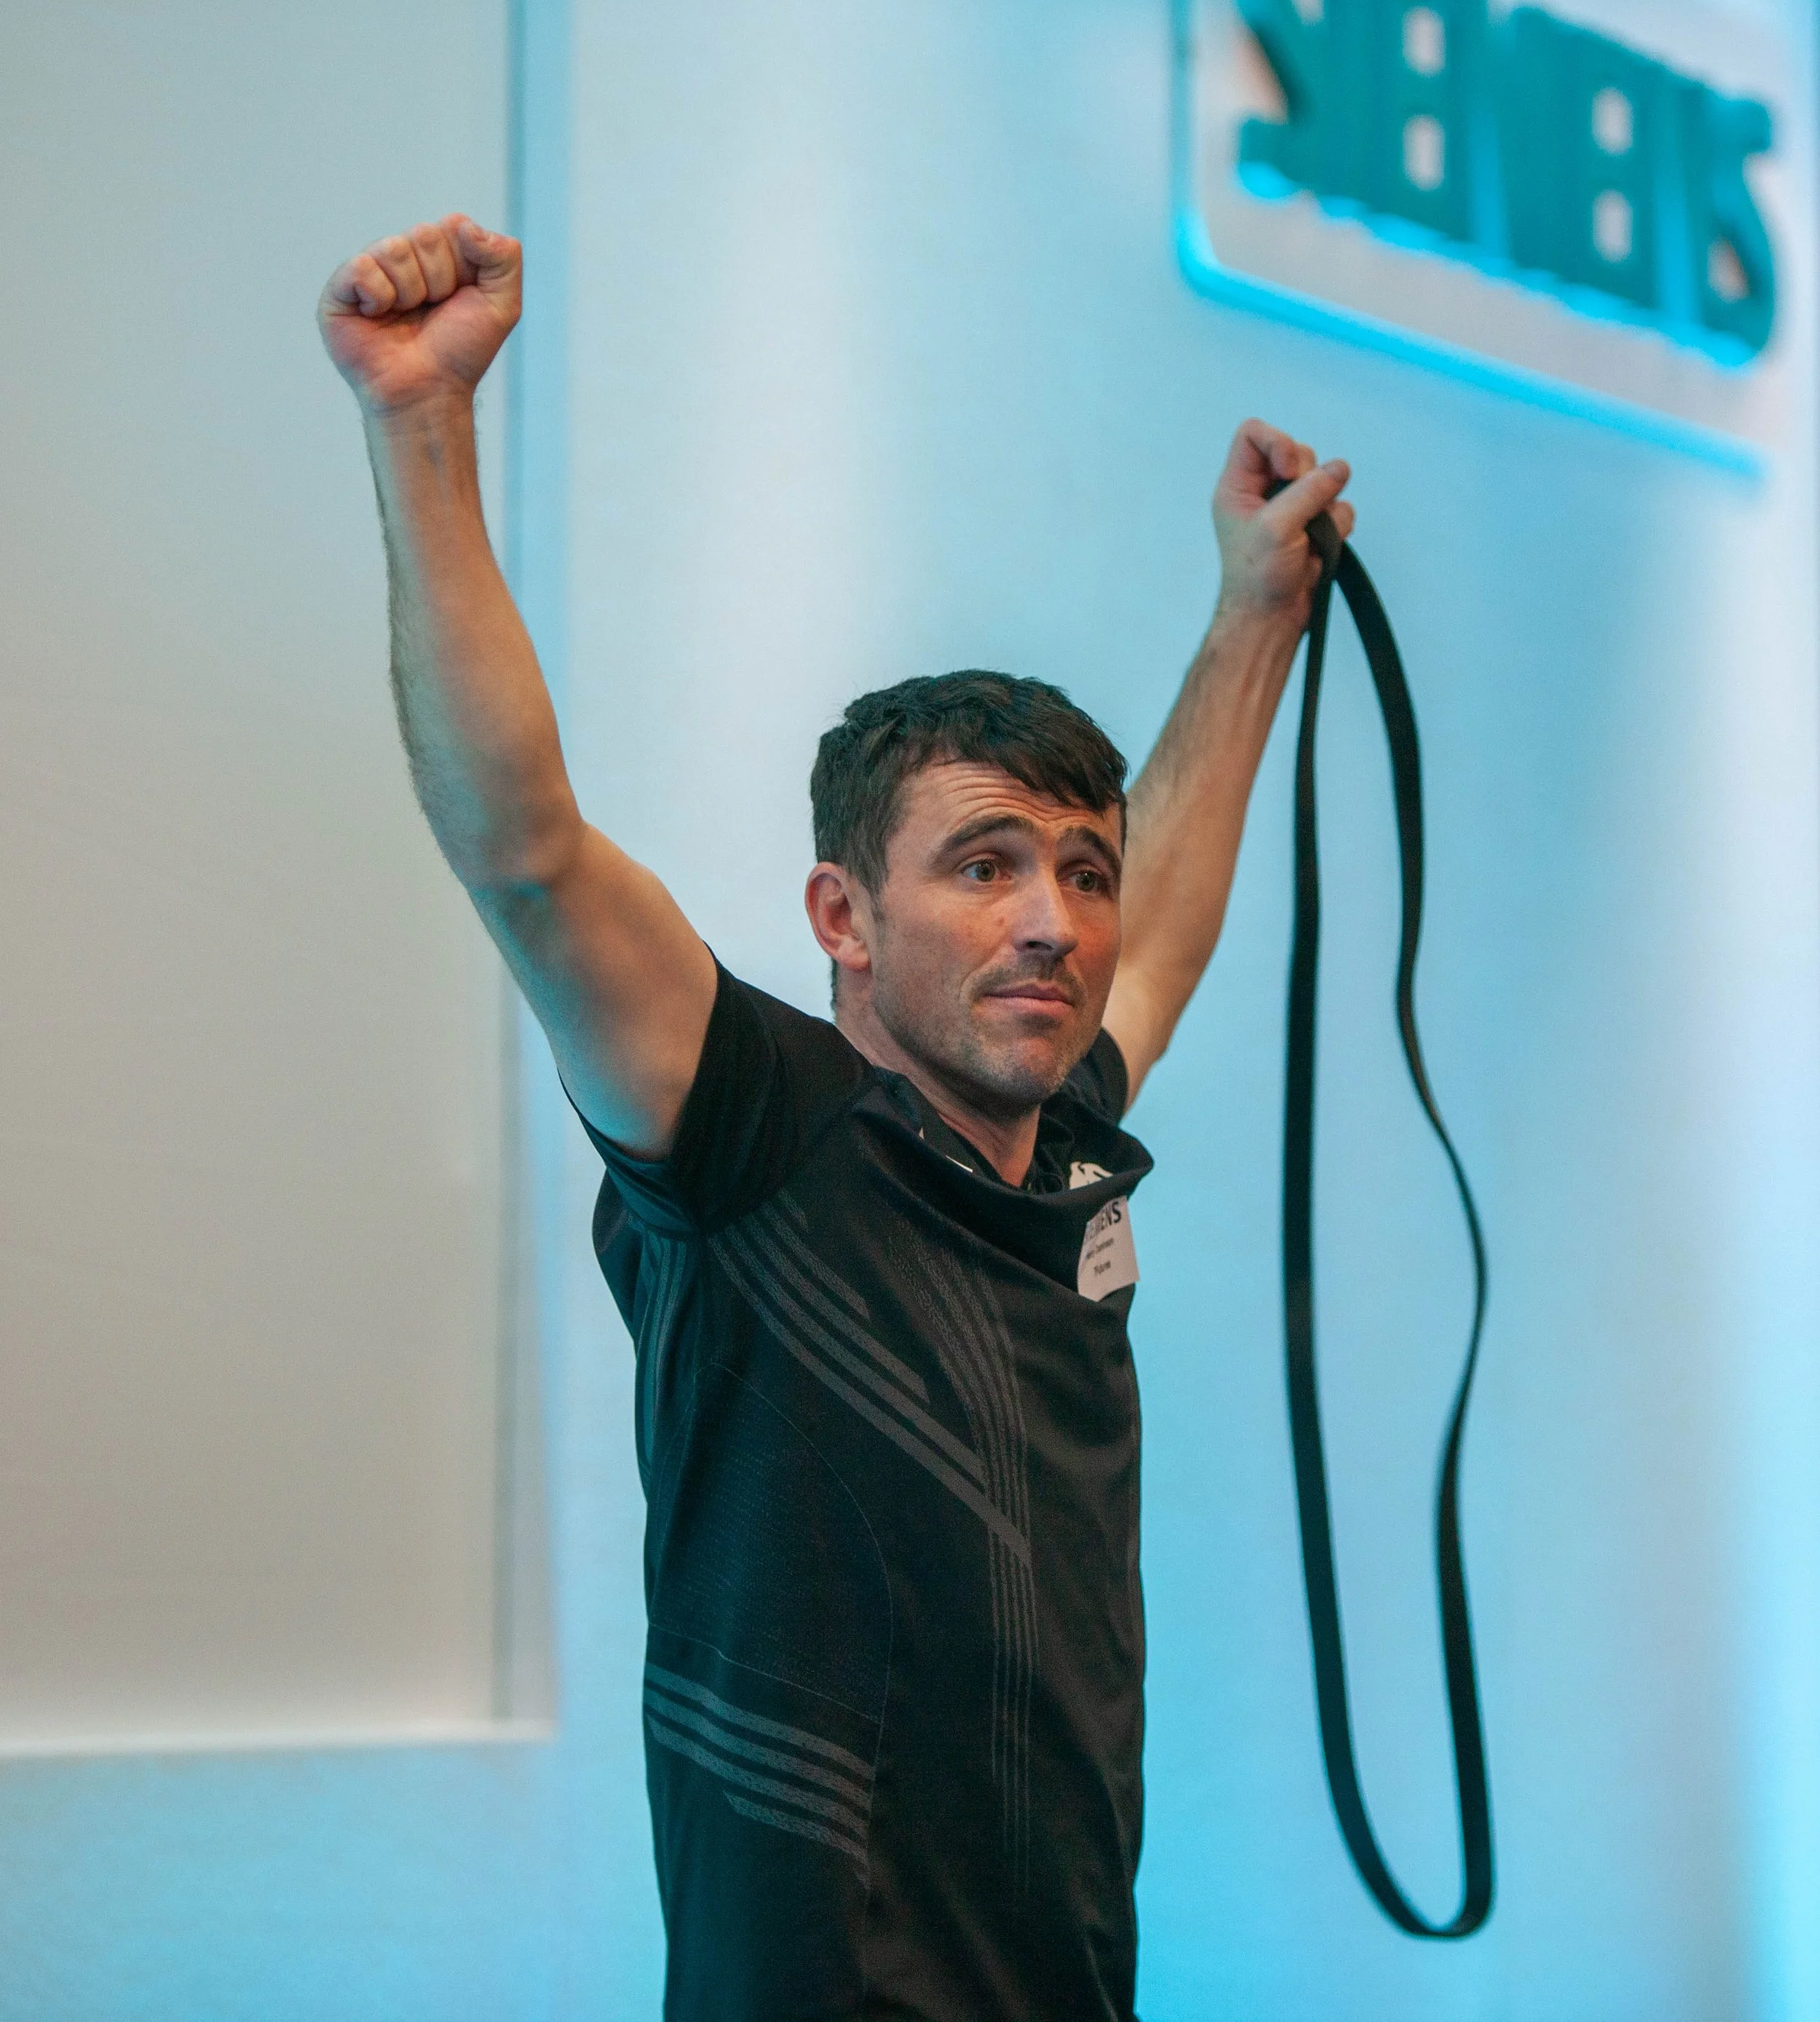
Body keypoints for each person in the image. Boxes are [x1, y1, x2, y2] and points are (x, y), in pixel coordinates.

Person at [319, 213, 1354, 2022]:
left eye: (1073, 868)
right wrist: (422, 427)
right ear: (841, 918)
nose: (1050, 914)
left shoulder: (1060, 1137)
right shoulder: (750, 1137)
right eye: (982, 863)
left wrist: (1252, 615)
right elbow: (529, 851)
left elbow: (1167, 921)